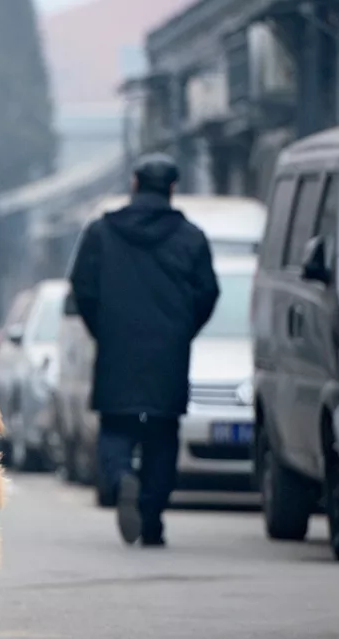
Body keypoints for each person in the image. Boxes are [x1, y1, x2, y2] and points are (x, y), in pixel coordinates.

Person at [69, 153, 219, 548]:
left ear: (134, 183)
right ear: (172, 188)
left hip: (117, 347)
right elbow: (207, 293)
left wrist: (103, 328)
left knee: (116, 427)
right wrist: (183, 330)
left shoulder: (102, 232)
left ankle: (120, 479)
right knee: (162, 435)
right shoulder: (191, 237)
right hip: (168, 353)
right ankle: (152, 520)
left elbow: (82, 287)